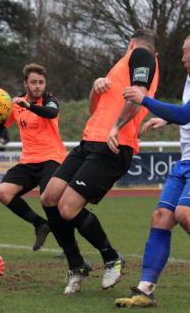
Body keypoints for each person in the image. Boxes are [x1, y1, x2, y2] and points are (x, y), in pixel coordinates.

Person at [40, 28, 160, 294]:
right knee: (49, 197)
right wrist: (95, 89)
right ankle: (77, 265)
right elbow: (95, 108)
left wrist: (116, 128)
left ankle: (111, 257)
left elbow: (138, 97)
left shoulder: (142, 55)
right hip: (89, 141)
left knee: (68, 208)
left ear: (131, 43)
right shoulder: (121, 66)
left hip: (112, 145)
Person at [114, 35, 190, 308]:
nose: (182, 58)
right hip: (184, 162)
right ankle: (145, 290)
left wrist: (145, 100)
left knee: (184, 214)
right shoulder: (188, 80)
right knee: (161, 217)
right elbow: (183, 113)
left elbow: (185, 115)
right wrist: (164, 117)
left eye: (185, 52)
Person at [0, 63, 67, 251]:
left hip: (52, 158)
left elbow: (51, 113)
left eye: (41, 82)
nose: (38, 86)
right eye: (33, 82)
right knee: (3, 192)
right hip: (28, 161)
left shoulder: (50, 100)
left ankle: (67, 245)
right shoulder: (17, 105)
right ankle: (40, 224)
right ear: (25, 83)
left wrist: (29, 106)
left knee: (50, 200)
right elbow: (0, 126)